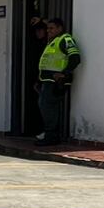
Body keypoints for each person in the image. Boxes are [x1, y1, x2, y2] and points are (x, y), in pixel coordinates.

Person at [36, 17, 81, 145]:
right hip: (47, 80)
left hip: (56, 82)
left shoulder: (65, 40)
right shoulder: (53, 41)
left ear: (60, 28)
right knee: (45, 106)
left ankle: (51, 136)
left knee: (48, 107)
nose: (48, 31)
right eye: (47, 28)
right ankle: (50, 134)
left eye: (51, 28)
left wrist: (63, 73)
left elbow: (75, 58)